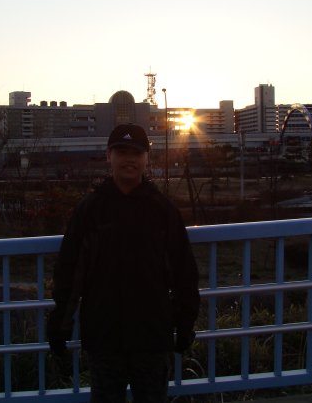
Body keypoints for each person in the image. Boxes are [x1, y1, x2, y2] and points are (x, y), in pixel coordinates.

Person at [48, 120, 200, 402]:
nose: (129, 159)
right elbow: (69, 271)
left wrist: (185, 323)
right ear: (109, 156)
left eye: (136, 153)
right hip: (103, 336)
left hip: (152, 335)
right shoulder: (90, 210)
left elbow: (184, 273)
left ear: (147, 158)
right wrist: (60, 324)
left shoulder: (163, 210)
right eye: (121, 152)